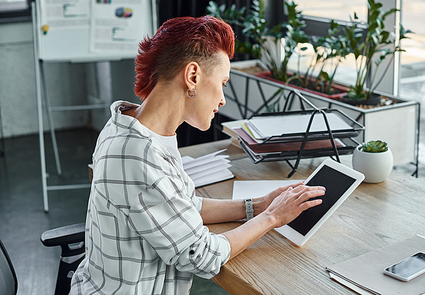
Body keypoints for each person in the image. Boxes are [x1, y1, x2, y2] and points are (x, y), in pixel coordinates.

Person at [69, 16, 325, 295]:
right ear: (193, 76)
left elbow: (184, 204)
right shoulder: (138, 155)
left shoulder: (130, 124)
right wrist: (273, 218)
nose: (223, 98)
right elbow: (200, 255)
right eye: (223, 82)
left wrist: (259, 205)